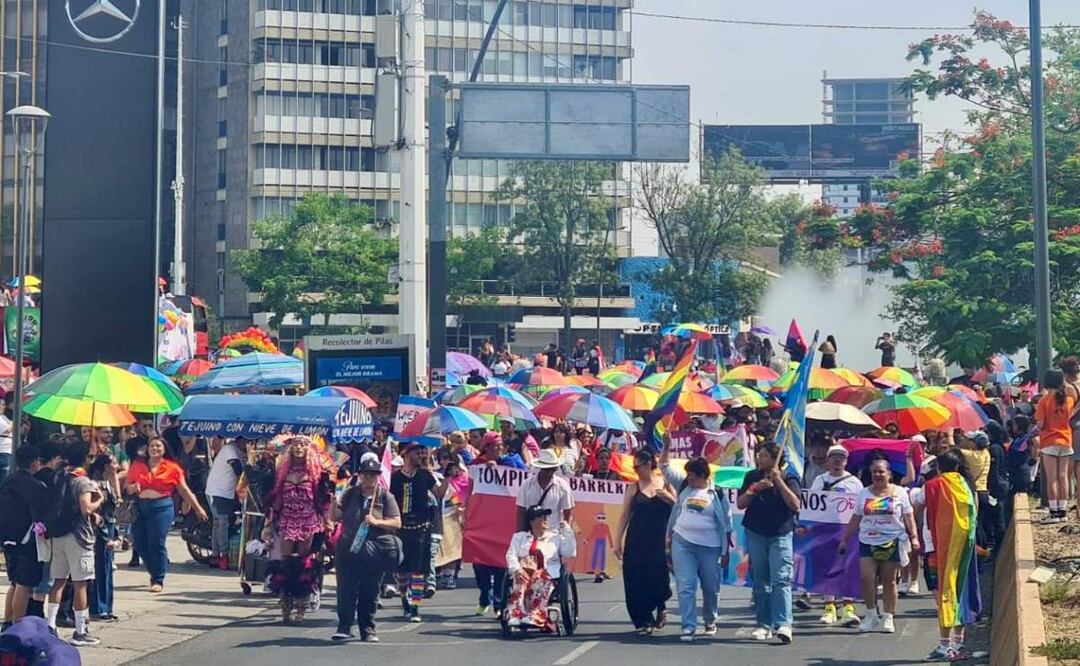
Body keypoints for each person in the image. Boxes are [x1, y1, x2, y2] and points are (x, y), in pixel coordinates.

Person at [839, 456, 919, 634]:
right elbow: (856, 517)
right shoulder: (863, 494)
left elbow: (908, 517)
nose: (877, 475)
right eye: (874, 471)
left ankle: (888, 616)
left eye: (881, 471)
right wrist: (844, 539)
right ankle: (871, 615)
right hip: (868, 540)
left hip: (891, 541)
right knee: (867, 578)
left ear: (889, 474)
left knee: (889, 581)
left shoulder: (900, 493)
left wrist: (914, 537)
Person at [656, 451, 729, 642]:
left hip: (710, 547)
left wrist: (725, 550)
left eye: (693, 476)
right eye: (688, 475)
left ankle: (710, 619)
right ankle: (688, 626)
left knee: (710, 587)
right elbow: (664, 466)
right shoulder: (684, 486)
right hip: (683, 543)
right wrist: (666, 447)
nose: (690, 479)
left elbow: (727, 525)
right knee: (686, 586)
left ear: (704, 476)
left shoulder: (718, 493)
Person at [332, 456, 402, 642]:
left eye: (373, 474)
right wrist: (332, 502)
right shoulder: (350, 493)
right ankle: (344, 626)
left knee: (369, 591)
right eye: (366, 474)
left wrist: (377, 521)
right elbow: (335, 516)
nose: (370, 478)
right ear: (360, 475)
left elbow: (396, 522)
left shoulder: (385, 496)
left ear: (378, 476)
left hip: (374, 550)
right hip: (348, 548)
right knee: (346, 590)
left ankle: (368, 629)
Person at [737, 441, 801, 644]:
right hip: (756, 532)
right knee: (760, 581)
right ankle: (763, 624)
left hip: (780, 534)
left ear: (775, 459)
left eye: (764, 456)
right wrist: (754, 489)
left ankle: (783, 624)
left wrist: (778, 482)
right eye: (759, 455)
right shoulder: (752, 476)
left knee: (781, 579)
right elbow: (740, 503)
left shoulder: (789, 478)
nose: (760, 459)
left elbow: (795, 504)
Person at [922, 449, 983, 662]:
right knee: (961, 593)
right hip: (965, 548)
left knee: (944, 596)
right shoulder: (966, 486)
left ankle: (944, 645)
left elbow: (922, 508)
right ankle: (957, 643)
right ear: (958, 467)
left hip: (940, 550)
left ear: (939, 467)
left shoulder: (933, 485)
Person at [263, 436, 332, 624]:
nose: (299, 448)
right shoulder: (282, 473)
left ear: (309, 449)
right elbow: (276, 502)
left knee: (304, 566)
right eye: (296, 445)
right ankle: (286, 605)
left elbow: (324, 502)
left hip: (308, 521)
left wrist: (327, 522)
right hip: (287, 520)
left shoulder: (317, 474)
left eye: (303, 445)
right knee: (285, 565)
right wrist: (269, 525)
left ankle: (300, 608)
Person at [127, 437, 208, 593]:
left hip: (161, 508)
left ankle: (158, 578)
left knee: (156, 543)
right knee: (139, 543)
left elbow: (184, 490)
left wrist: (198, 508)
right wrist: (133, 487)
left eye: (158, 446)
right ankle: (154, 569)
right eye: (152, 446)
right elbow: (128, 487)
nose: (154, 449)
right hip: (140, 507)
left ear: (164, 449)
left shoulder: (172, 468)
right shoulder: (138, 465)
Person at [45, 440, 103, 646]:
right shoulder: (83, 481)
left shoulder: (61, 476)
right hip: (79, 536)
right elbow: (86, 508)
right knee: (81, 584)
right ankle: (80, 631)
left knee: (58, 580)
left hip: (58, 534)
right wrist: (100, 499)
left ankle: (50, 625)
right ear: (87, 458)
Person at [613, 450, 674, 635]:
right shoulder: (633, 487)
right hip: (637, 539)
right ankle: (643, 619)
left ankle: (660, 606)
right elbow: (624, 514)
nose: (636, 470)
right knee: (635, 577)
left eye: (638, 466)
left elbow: (679, 507)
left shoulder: (665, 482)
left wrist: (668, 498)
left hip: (659, 539)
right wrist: (617, 541)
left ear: (648, 464)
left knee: (658, 577)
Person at [390, 442, 447, 623]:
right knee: (401, 571)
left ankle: (414, 606)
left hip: (421, 529)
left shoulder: (425, 475)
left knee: (418, 571)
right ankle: (404, 600)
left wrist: (446, 476)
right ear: (406, 454)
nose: (419, 454)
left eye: (420, 451)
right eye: (415, 452)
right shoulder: (394, 478)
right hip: (401, 529)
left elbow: (439, 493)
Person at [809, 445, 862, 627]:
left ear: (846, 461)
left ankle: (848, 607)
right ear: (828, 460)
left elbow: (860, 507)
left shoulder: (854, 482)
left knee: (847, 567)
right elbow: (812, 505)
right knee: (827, 568)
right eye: (834, 458)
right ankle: (829, 607)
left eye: (841, 458)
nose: (837, 461)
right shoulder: (819, 480)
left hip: (847, 530)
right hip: (825, 529)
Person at [504, 505, 577, 629]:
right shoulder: (519, 537)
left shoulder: (555, 537)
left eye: (546, 516)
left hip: (548, 575)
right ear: (532, 521)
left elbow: (571, 553)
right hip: (525, 572)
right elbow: (510, 555)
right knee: (520, 576)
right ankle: (516, 614)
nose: (545, 519)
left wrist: (568, 531)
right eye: (541, 516)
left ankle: (535, 614)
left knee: (539, 576)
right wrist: (516, 569)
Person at [0, 445, 45, 627]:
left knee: (14, 581)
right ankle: (18, 625)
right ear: (34, 462)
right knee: (23, 584)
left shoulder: (7, 482)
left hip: (7, 537)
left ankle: (7, 621)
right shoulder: (36, 486)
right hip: (27, 540)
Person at [1036, 370, 1075, 523]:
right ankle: (1063, 511)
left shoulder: (1044, 400)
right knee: (1063, 476)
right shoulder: (1069, 400)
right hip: (1066, 439)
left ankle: (1053, 512)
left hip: (1049, 440)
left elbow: (1040, 424)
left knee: (1052, 478)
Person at [87, 451, 120, 623]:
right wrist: (107, 537)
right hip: (100, 534)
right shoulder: (97, 486)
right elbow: (101, 515)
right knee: (100, 570)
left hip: (109, 529)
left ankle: (106, 607)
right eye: (114, 463)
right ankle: (98, 608)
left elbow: (113, 514)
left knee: (107, 570)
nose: (117, 466)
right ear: (106, 466)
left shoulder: (108, 484)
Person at [204, 438, 244, 570]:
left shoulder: (241, 451)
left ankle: (216, 555)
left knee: (218, 524)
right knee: (222, 523)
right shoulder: (230, 449)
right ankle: (224, 556)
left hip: (227, 492)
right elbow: (238, 471)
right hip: (217, 491)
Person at [515, 449, 574, 531]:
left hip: (553, 537)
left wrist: (565, 534)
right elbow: (521, 512)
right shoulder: (526, 485)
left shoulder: (563, 486)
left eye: (553, 469)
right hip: (530, 534)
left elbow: (568, 513)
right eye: (547, 470)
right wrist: (520, 535)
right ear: (540, 468)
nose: (550, 473)